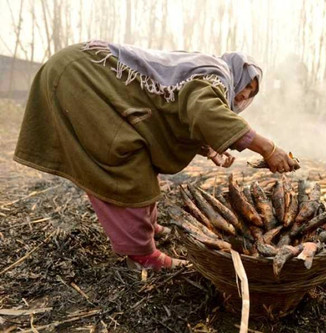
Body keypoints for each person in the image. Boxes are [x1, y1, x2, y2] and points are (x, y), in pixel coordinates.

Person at [14, 41, 300, 271]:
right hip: (81, 77)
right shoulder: (216, 76)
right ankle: (140, 254)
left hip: (78, 70)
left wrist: (210, 147)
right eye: (245, 87)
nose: (242, 97)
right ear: (236, 74)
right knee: (124, 161)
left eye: (250, 93)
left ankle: (144, 227)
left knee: (137, 158)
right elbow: (204, 110)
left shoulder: (208, 74)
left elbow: (172, 110)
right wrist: (267, 148)